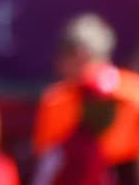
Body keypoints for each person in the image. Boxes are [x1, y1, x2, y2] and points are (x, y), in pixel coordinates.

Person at [33, 12, 139, 182]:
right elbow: (48, 160)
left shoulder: (133, 95)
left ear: (79, 54)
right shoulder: (55, 100)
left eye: (63, 55)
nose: (58, 65)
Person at [32, 62, 122, 185]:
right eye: (101, 107)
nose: (109, 113)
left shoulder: (101, 149)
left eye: (111, 107)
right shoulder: (64, 150)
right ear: (84, 108)